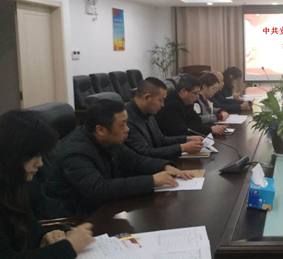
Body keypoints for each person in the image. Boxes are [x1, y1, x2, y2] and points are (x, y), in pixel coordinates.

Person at [0, 110, 94, 259]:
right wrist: (69, 246)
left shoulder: (12, 185)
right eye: (34, 156)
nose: (40, 164)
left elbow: (29, 229)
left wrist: (44, 237)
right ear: (11, 155)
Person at [45, 100, 192, 218]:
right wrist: (151, 180)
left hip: (102, 207)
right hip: (76, 217)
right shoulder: (76, 153)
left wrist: (165, 166)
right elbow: (98, 189)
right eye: (123, 124)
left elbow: (136, 161)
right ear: (101, 130)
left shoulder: (108, 140)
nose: (127, 129)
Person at [125, 77, 204, 160]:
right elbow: (146, 152)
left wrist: (187, 139)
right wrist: (182, 148)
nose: (163, 105)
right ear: (147, 97)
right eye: (160, 100)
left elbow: (161, 140)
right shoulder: (127, 120)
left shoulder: (148, 112)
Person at [156, 74, 227, 137]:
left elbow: (196, 120)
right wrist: (210, 129)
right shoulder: (173, 105)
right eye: (195, 93)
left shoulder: (187, 101)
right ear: (183, 92)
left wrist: (211, 128)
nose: (198, 97)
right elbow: (182, 130)